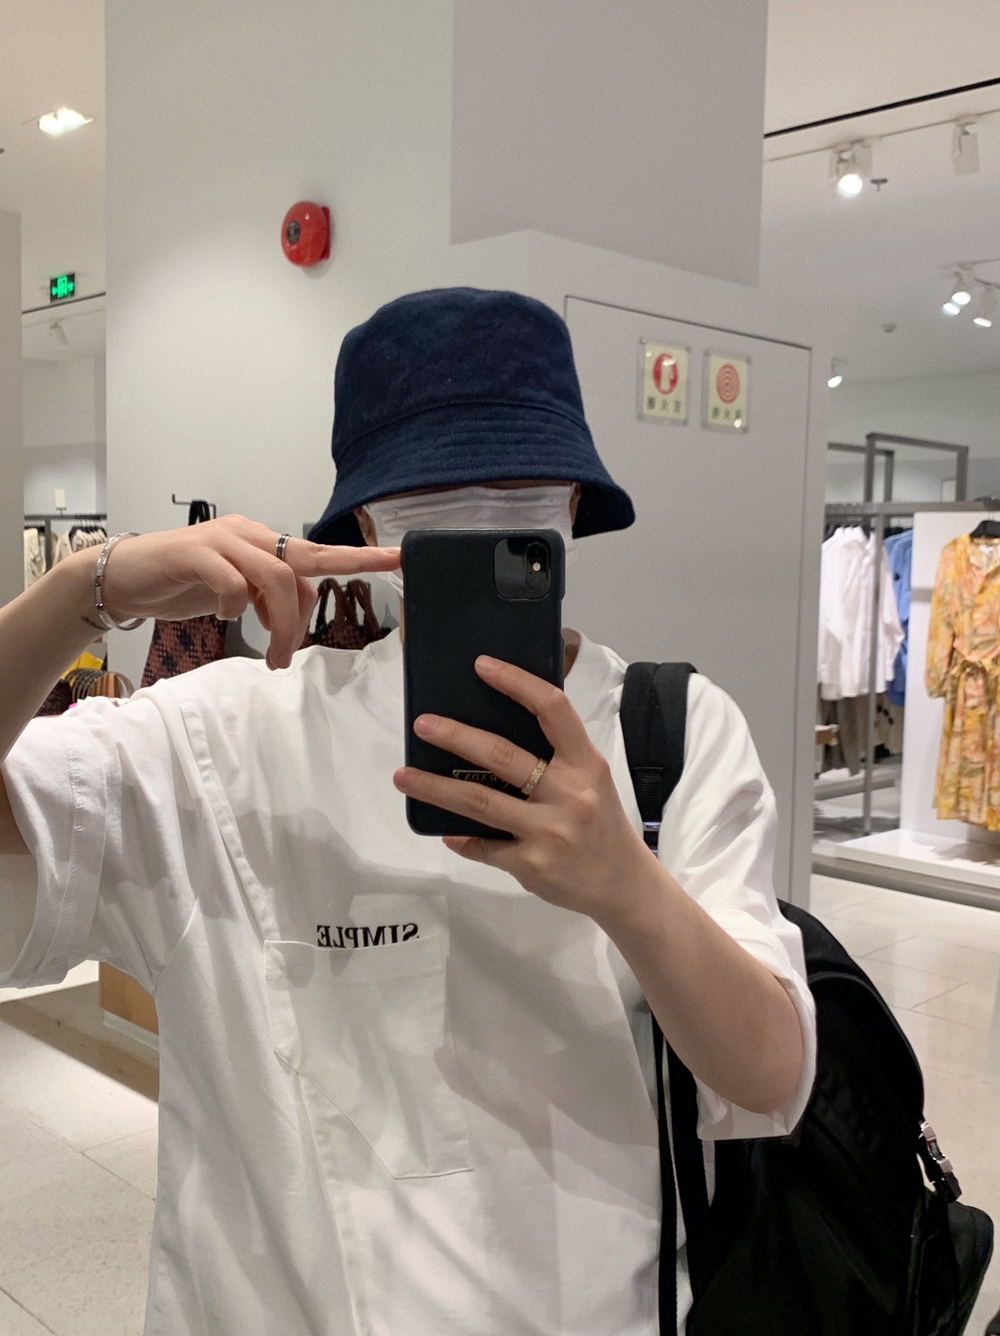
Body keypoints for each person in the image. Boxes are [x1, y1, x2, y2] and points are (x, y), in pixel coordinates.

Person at [0, 287, 815, 1336]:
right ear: (368, 522)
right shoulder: (228, 733)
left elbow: (771, 1078)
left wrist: (628, 888)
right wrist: (84, 590)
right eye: (434, 487)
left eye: (518, 478)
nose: (480, 509)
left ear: (571, 503)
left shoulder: (674, 736)